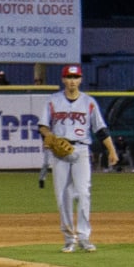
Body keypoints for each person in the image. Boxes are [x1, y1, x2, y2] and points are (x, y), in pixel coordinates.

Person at [38, 64, 118, 253]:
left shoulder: (89, 102)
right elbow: (42, 126)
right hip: (60, 153)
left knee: (83, 193)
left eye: (75, 77)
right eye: (69, 77)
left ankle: (84, 237)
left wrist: (112, 151)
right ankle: (68, 239)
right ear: (63, 80)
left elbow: (100, 129)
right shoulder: (53, 101)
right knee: (63, 197)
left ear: (80, 79)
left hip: (81, 150)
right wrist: (48, 135)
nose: (72, 81)